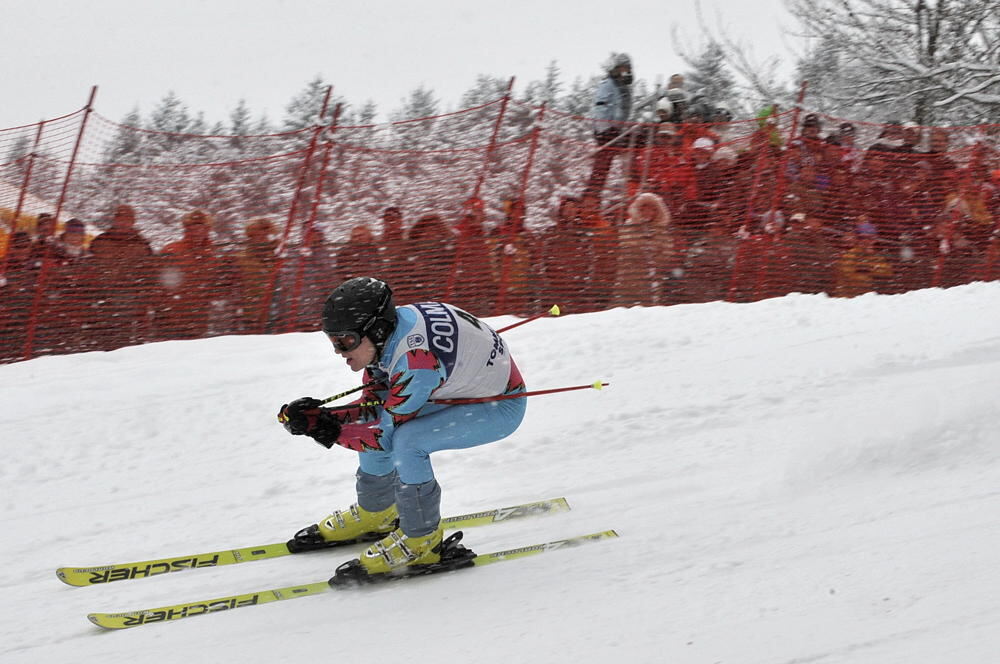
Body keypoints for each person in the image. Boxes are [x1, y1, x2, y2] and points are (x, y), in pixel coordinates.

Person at [277, 277, 526, 579]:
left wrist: (324, 428)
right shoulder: (392, 332)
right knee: (384, 421)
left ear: (376, 330)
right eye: (333, 341)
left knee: (408, 442)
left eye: (345, 341)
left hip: (499, 406)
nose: (338, 352)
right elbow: (372, 407)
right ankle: (378, 512)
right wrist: (321, 416)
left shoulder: (414, 362)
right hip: (459, 387)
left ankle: (423, 540)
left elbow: (383, 435)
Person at [586, 52, 634, 199]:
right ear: (616, 68)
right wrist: (604, 130)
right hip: (607, 130)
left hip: (617, 129)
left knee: (611, 162)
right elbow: (600, 107)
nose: (624, 71)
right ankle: (592, 195)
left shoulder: (624, 87)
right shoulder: (608, 84)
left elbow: (624, 108)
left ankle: (629, 186)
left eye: (626, 68)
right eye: (621, 68)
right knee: (602, 165)